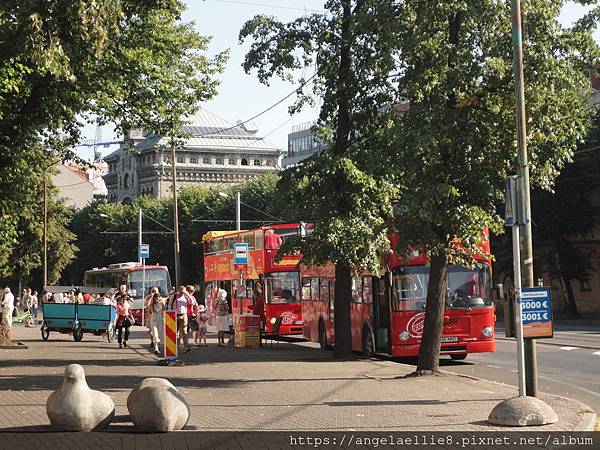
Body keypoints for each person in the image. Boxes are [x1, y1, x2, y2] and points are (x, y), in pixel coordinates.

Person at [168, 286, 194, 352]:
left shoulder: (186, 296)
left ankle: (186, 346)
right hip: (175, 315)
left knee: (184, 331)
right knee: (175, 332)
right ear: (178, 290)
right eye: (181, 291)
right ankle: (176, 346)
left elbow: (192, 303)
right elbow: (169, 305)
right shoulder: (174, 296)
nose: (182, 293)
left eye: (183, 292)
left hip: (184, 314)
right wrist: (169, 315)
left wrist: (187, 294)